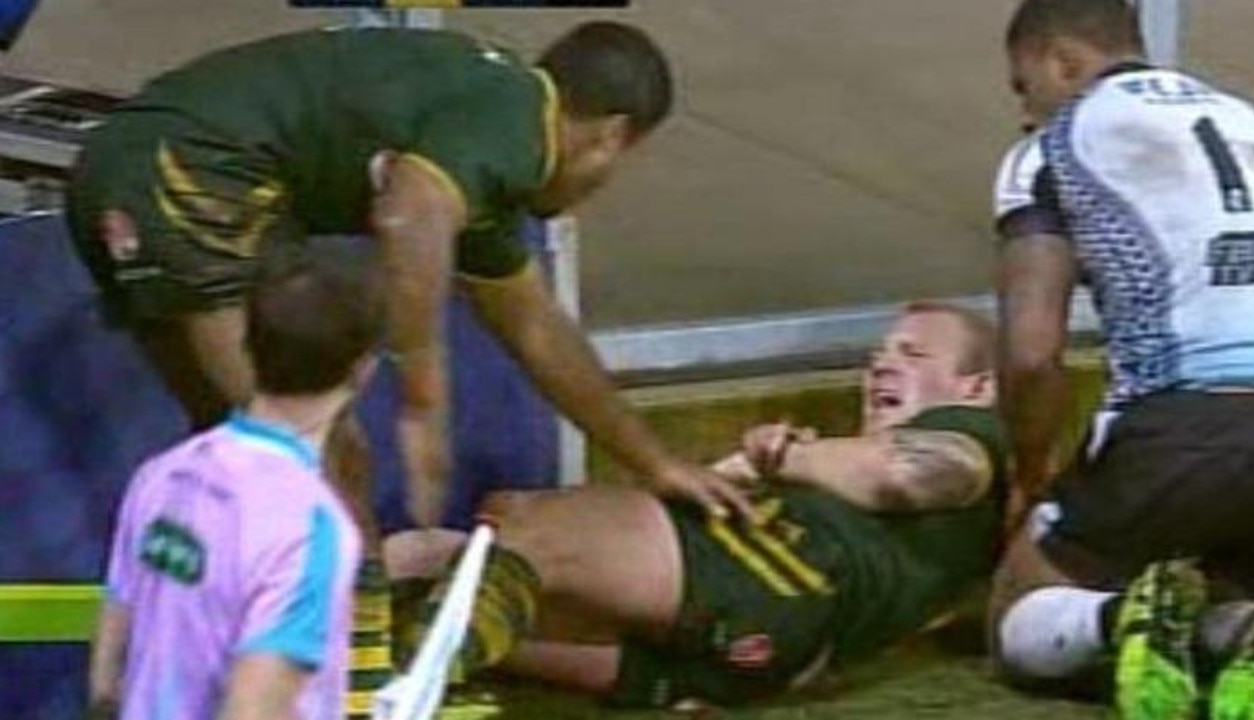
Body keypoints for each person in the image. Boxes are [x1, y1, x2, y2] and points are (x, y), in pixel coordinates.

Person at [67, 22, 748, 718]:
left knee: (229, 453)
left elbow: (537, 328)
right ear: (610, 135)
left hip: (114, 167)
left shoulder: (473, 145)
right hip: (192, 174)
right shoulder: (512, 116)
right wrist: (423, 401)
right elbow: (407, 214)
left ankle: (186, 678)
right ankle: (356, 690)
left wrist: (651, 460)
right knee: (327, 461)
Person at [387, 302, 1007, 708]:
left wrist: (775, 459)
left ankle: (404, 686)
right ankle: (398, 666)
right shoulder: (859, 493)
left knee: (529, 529)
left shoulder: (976, 433)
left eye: (912, 354)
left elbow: (912, 475)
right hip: (752, 655)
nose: (881, 366)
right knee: (424, 559)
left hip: (777, 578)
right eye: (877, 356)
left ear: (977, 388)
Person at [990, 1, 1254, 719]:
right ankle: (1245, 629)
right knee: (1225, 566)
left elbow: (1030, 357)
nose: (1025, 116)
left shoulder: (1049, 151)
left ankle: (1119, 622)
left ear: (1060, 61)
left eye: (1023, 88)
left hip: (1181, 425)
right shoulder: (1253, 125)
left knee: (1017, 605)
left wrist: (1030, 480)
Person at [88, 249, 381, 720]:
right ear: (364, 369)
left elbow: (107, 679)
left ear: (249, 346)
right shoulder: (311, 531)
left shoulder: (161, 476)